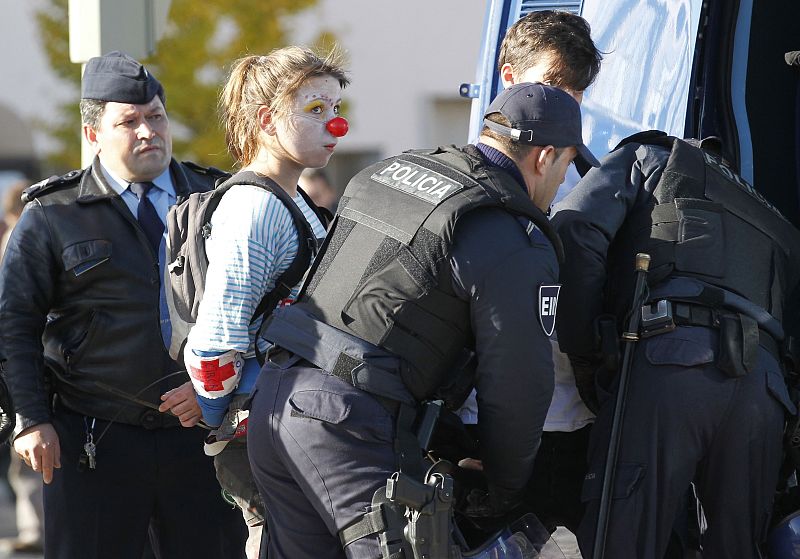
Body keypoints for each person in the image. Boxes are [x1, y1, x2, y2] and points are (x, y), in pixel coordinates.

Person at [246, 81, 600, 558]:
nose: (561, 184)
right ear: (545, 158)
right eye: (565, 167)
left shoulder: (393, 171)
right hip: (345, 430)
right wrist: (501, 489)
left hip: (276, 396)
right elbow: (518, 382)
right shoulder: (513, 237)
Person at [0, 51, 246, 559]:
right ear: (94, 134)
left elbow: (257, 309)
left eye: (155, 117)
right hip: (93, 438)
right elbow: (13, 323)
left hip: (200, 433)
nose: (147, 131)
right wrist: (30, 417)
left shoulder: (216, 198)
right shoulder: (53, 216)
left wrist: (214, 388)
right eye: (128, 121)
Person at [552, 131, 800, 558]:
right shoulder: (766, 213)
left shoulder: (650, 156)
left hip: (674, 356)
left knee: (623, 539)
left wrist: (588, 343)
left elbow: (575, 225)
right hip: (764, 385)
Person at [181, 46, 346, 558]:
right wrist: (217, 415)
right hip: (265, 433)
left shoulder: (295, 199)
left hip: (290, 422)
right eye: (315, 110)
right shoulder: (255, 209)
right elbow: (214, 345)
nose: (335, 125)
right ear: (267, 120)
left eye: (337, 109)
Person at [457, 9, 603, 534]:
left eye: (577, 93)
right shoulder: (460, 181)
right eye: (553, 85)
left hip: (571, 430)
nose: (564, 103)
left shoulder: (591, 184)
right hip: (479, 432)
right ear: (509, 76)